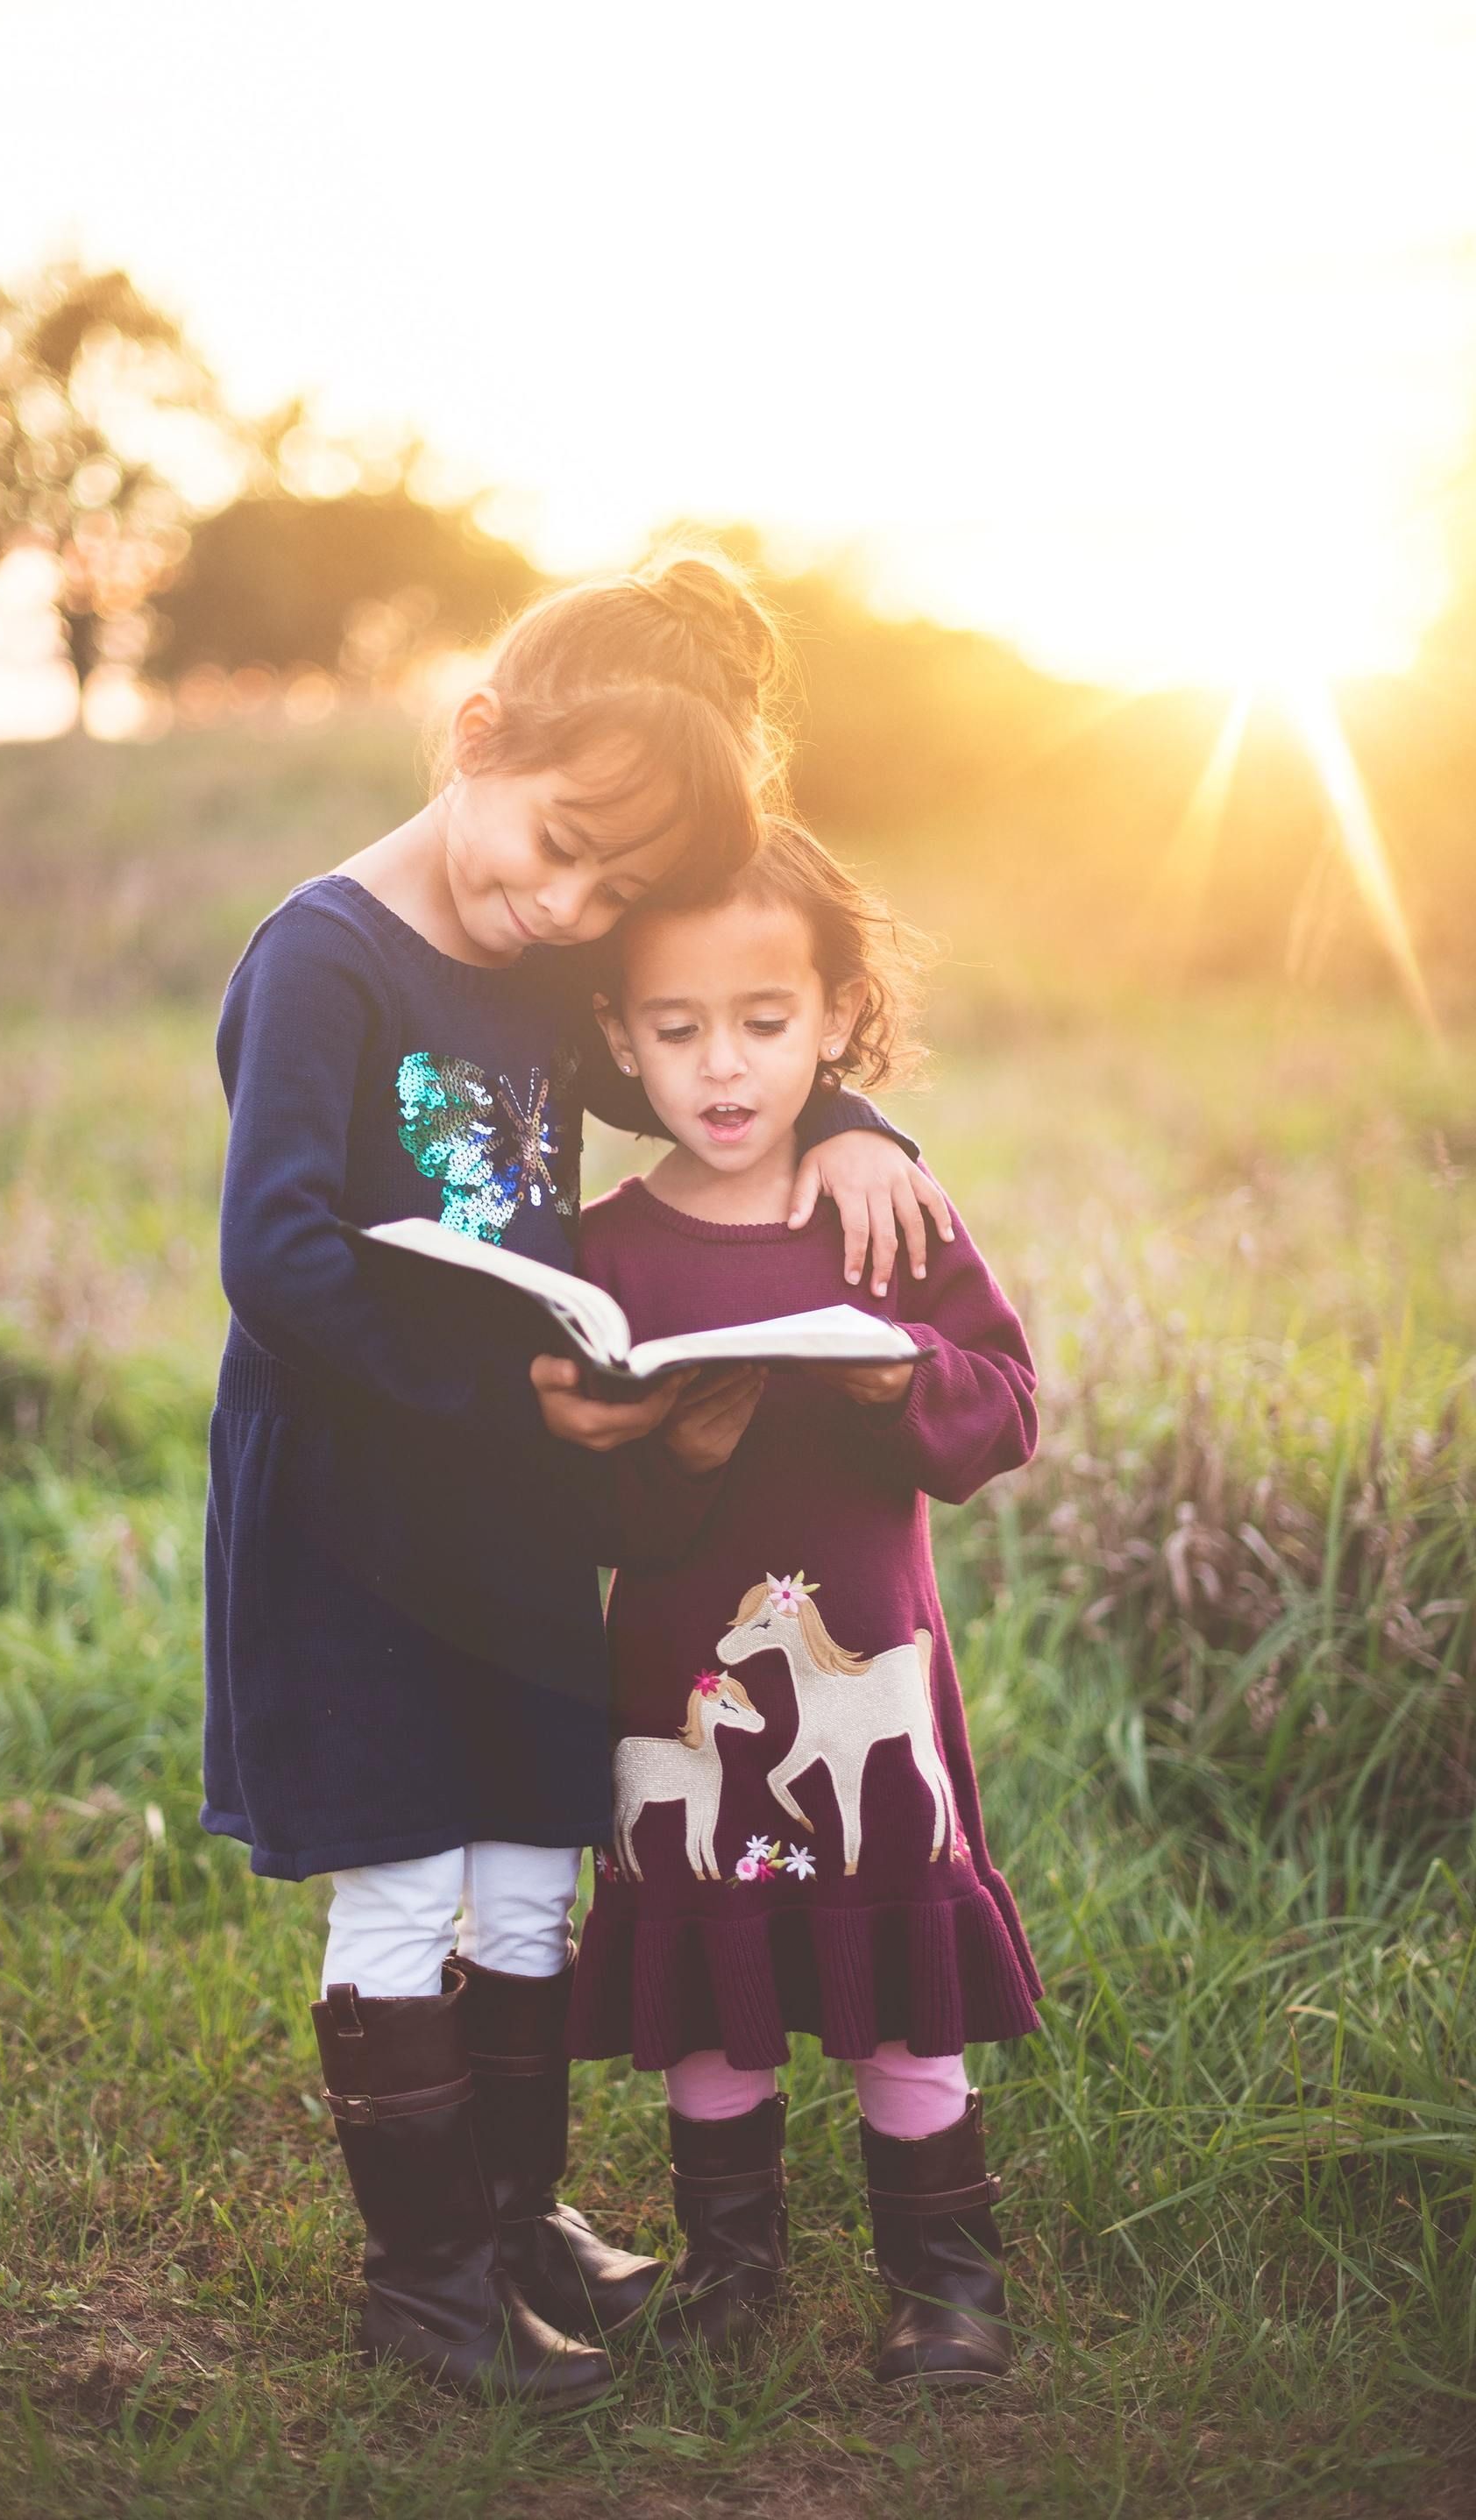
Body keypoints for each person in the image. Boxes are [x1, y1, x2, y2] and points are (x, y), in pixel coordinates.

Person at [202, 553, 950, 2407]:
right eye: (556, 851)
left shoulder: (543, 965)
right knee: (401, 1878)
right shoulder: (323, 954)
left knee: (535, 1866)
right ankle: (427, 2278)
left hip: (519, 1513)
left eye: (613, 892)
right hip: (357, 1511)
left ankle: (519, 2217)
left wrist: (850, 1118)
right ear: (474, 739)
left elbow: (698, 1067)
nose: (568, 907)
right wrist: (496, 1402)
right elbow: (279, 1256)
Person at [567, 818, 1042, 2389]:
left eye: (765, 1025)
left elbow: (1004, 1410)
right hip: (681, 1686)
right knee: (710, 1984)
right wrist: (675, 1452)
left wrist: (898, 1374)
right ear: (619, 1038)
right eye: (676, 1028)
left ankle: (945, 2281)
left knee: (901, 1988)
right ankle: (730, 2268)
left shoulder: (884, 1209)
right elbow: (576, 1507)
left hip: (869, 1675)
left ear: (835, 1020)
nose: (721, 1067)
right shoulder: (605, 1256)